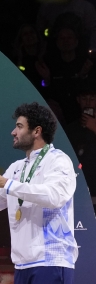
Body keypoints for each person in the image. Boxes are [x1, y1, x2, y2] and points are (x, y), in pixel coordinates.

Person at [0, 102, 78, 284]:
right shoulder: (16, 168)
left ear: (37, 131)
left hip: (51, 260)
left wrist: (8, 184)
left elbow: (54, 196)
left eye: (19, 126)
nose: (13, 132)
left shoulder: (58, 160)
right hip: (22, 265)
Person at [65, 81, 96, 210]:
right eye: (84, 98)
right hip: (80, 193)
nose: (88, 103)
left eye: (92, 99)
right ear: (78, 100)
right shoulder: (71, 129)